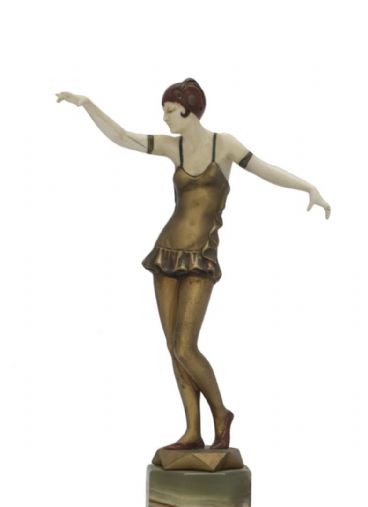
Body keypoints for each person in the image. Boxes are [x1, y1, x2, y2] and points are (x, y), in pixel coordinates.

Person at [56, 78, 330, 451]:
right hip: (166, 251)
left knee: (186, 346)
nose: (165, 118)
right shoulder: (173, 147)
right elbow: (121, 137)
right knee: (173, 347)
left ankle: (221, 413)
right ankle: (192, 431)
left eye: (170, 111)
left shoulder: (224, 145)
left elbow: (265, 169)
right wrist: (88, 104)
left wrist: (308, 187)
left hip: (201, 255)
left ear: (188, 110)